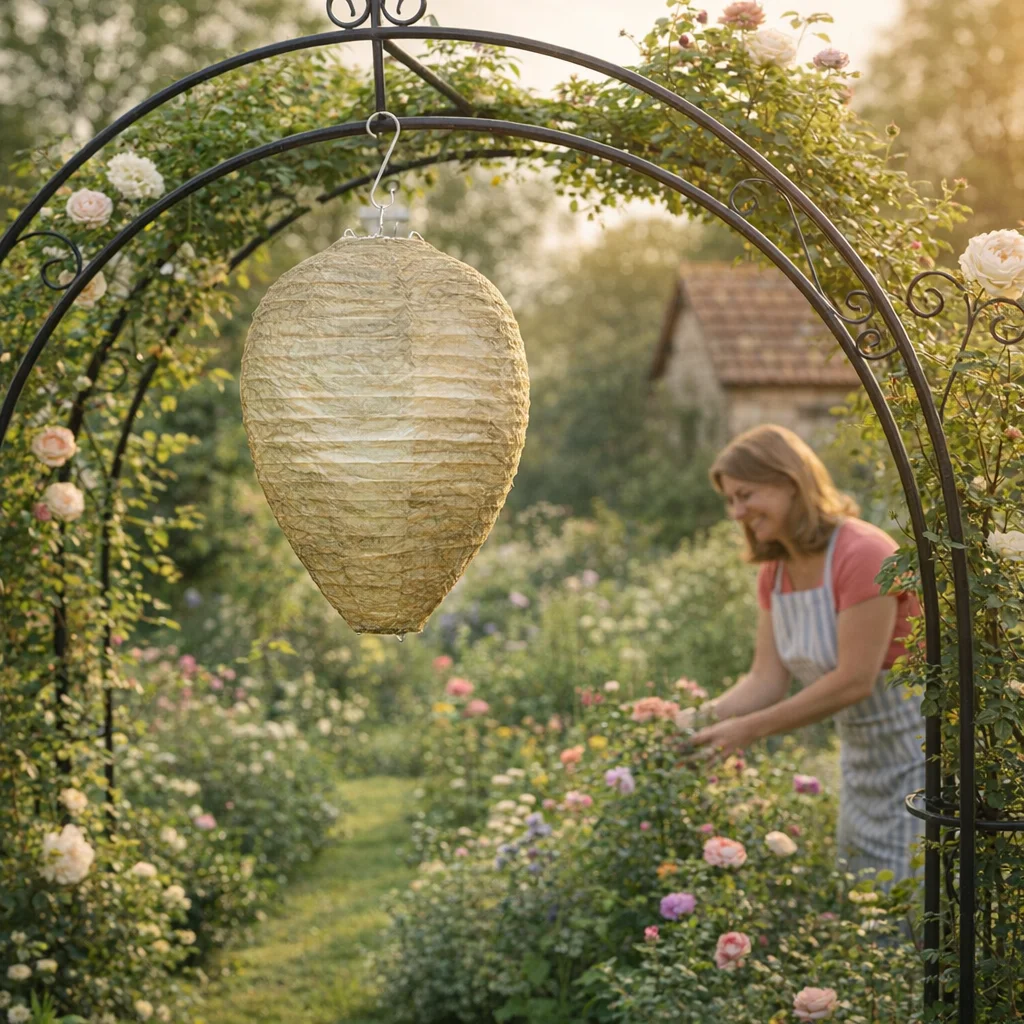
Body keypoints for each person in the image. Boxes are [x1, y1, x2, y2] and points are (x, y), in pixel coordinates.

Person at [690, 423, 925, 888]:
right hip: (862, 771)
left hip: (920, 768)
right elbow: (765, 680)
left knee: (914, 915)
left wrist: (748, 731)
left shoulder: (864, 553)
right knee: (862, 910)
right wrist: (688, 722)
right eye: (730, 501)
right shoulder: (776, 573)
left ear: (789, 481)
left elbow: (855, 680)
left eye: (746, 495)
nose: (737, 512)